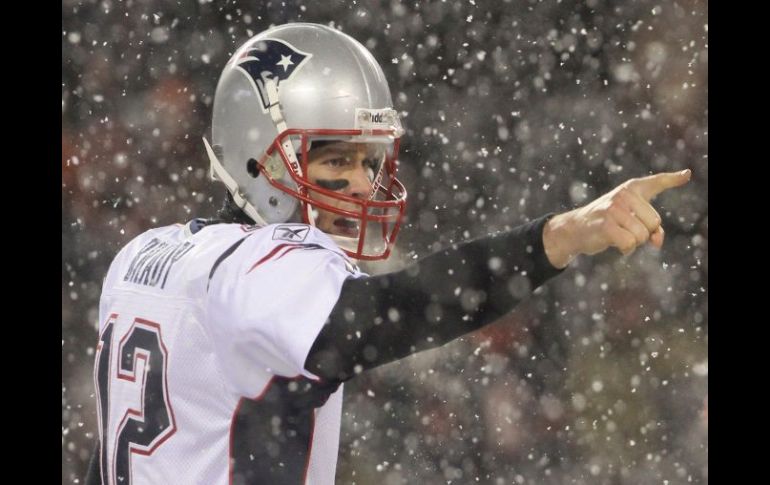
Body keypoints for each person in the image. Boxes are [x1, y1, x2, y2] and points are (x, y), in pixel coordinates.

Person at [85, 22, 691, 485]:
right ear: (259, 154)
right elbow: (394, 311)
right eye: (335, 160)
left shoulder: (143, 256)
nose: (358, 183)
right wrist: (558, 237)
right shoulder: (259, 268)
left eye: (367, 161)